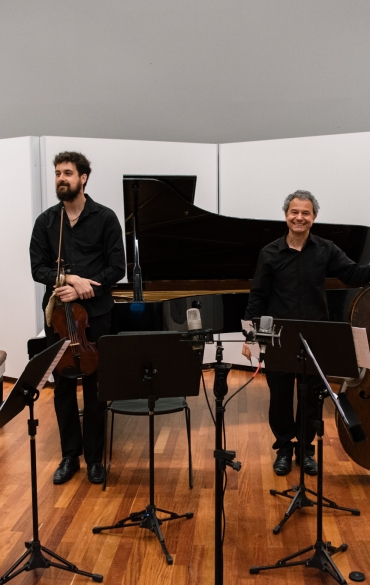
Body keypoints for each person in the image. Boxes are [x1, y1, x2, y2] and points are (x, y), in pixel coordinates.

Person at [243, 190, 370, 476]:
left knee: (312, 396)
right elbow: (258, 296)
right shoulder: (270, 253)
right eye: (295, 212)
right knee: (280, 396)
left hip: (316, 335)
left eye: (306, 213)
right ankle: (285, 449)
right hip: (279, 335)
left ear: (313, 217)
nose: (300, 217)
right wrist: (250, 337)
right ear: (286, 215)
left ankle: (306, 450)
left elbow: (353, 274)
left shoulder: (326, 249)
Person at [30, 151, 125, 485]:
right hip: (58, 316)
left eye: (67, 173)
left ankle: (95, 458)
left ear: (83, 178)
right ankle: (70, 456)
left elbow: (117, 268)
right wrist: (69, 280)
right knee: (64, 388)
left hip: (96, 315)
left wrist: (87, 289)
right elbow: (38, 268)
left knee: (96, 387)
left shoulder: (105, 218)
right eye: (57, 173)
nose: (60, 178)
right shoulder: (46, 222)